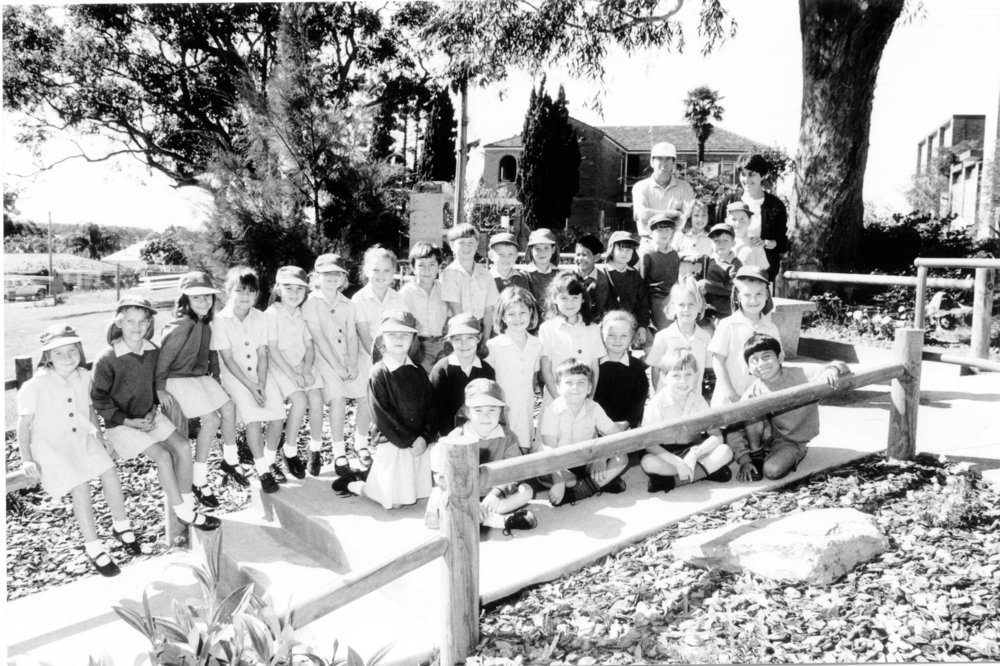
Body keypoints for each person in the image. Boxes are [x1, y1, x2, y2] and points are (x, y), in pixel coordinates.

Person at [18, 324, 142, 577]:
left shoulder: (84, 377)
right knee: (81, 485)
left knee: (109, 471)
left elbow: (90, 411)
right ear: (48, 358)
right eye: (58, 353)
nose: (67, 357)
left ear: (80, 351)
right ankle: (94, 547)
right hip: (53, 448)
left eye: (72, 350)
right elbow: (24, 425)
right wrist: (26, 459)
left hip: (82, 439)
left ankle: (121, 525)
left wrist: (99, 434)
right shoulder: (35, 386)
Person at [92, 299, 220, 537]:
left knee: (182, 447)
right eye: (130, 321)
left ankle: (187, 501)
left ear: (150, 323)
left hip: (149, 416)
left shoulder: (152, 350)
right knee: (162, 456)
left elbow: (154, 385)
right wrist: (127, 421)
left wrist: (152, 408)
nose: (136, 326)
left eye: (143, 321)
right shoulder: (107, 357)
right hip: (121, 425)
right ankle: (183, 512)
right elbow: (98, 398)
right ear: (119, 322)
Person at [332, 312, 434, 510]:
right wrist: (409, 440)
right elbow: (382, 415)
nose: (399, 339)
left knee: (415, 493)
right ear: (382, 341)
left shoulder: (418, 371)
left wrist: (425, 436)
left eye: (405, 335)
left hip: (417, 443)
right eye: (392, 335)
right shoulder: (380, 372)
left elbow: (430, 407)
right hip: (394, 441)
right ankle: (356, 484)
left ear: (413, 340)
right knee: (393, 502)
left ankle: (374, 476)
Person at [155, 271, 238, 508]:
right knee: (211, 420)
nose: (203, 302)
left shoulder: (206, 323)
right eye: (196, 298)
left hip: (200, 377)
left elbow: (211, 354)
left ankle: (227, 461)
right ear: (186, 301)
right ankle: (198, 481)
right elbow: (163, 360)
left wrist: (217, 380)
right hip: (177, 379)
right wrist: (160, 389)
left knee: (229, 407)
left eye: (207, 297)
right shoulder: (181, 325)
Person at [425, 379, 537, 534]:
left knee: (527, 490)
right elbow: (443, 475)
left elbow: (515, 470)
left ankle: (476, 517)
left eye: (492, 410)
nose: (486, 417)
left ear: (501, 411)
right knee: (439, 495)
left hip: (492, 497)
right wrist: (470, 500)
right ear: (467, 412)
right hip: (462, 494)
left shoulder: (508, 437)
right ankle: (498, 521)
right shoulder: (456, 436)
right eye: (478, 410)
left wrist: (497, 493)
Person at [734, 334, 850, 482]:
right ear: (749, 368)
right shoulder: (752, 392)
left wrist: (832, 369)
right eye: (754, 360)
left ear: (780, 357)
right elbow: (734, 428)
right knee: (750, 409)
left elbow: (841, 364)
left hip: (791, 441)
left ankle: (796, 452)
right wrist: (744, 459)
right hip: (766, 438)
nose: (761, 364)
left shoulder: (800, 375)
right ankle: (758, 454)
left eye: (766, 356)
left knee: (771, 471)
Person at [212, 268, 287, 492]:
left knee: (277, 418)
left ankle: (269, 461)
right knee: (253, 419)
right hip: (237, 378)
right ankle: (263, 471)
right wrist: (251, 387)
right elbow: (227, 359)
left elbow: (263, 353)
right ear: (228, 292)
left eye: (251, 292)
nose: (245, 296)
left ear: (257, 295)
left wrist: (262, 384)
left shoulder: (261, 317)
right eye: (240, 290)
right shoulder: (220, 320)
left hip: (260, 374)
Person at [303, 253, 365, 477]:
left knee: (363, 394)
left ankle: (362, 444)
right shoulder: (311, 303)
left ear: (343, 278)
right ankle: (339, 452)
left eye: (336, 274)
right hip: (322, 359)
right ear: (316, 277)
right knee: (337, 399)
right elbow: (318, 337)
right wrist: (338, 366)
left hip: (345, 358)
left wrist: (351, 362)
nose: (331, 278)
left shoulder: (347, 303)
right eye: (326, 274)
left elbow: (351, 334)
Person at [640, 349, 733, 493]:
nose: (683, 381)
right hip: (665, 453)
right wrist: (678, 462)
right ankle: (703, 473)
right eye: (676, 375)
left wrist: (695, 454)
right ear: (664, 377)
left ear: (696, 376)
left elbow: (717, 436)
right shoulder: (657, 403)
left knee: (726, 451)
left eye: (688, 374)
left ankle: (673, 481)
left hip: (692, 449)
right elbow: (650, 445)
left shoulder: (698, 400)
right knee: (648, 462)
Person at [539, 359, 627, 506]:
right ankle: (597, 483)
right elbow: (549, 451)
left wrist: (602, 457)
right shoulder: (553, 410)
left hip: (587, 460)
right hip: (560, 465)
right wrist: (559, 479)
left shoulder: (594, 407)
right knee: (569, 480)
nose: (575, 387)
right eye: (568, 383)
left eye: (581, 382)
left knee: (621, 459)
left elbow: (616, 435)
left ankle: (581, 491)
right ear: (558, 387)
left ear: (589, 388)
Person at [266, 266, 325, 483]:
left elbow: (309, 346)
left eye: (300, 289)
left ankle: (315, 449)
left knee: (317, 400)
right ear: (278, 289)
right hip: (281, 367)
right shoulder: (272, 313)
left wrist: (307, 368)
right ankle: (289, 451)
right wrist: (293, 375)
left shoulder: (302, 313)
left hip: (303, 364)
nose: (294, 293)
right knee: (299, 402)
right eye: (288, 288)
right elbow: (272, 350)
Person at [351, 246, 406, 468]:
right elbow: (364, 335)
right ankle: (360, 444)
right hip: (368, 357)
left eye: (386, 270)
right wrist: (380, 360)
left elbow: (402, 329)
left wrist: (395, 358)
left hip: (394, 355)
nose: (381, 275)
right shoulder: (359, 299)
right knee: (366, 401)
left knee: (392, 400)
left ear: (394, 272)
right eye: (376, 270)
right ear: (366, 270)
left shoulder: (398, 298)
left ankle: (385, 441)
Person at [708, 266, 781, 408]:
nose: (753, 300)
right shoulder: (727, 325)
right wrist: (733, 396)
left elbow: (778, 362)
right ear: (737, 296)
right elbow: (718, 363)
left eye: (759, 294)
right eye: (747, 295)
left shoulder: (771, 328)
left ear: (767, 295)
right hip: (729, 401)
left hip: (760, 401)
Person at [714, 153, 788, 283]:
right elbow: (717, 233)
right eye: (743, 174)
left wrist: (769, 243)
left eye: (752, 174)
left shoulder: (775, 205)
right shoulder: (728, 202)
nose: (746, 179)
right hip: (728, 272)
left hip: (761, 273)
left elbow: (783, 242)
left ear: (762, 175)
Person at [486, 286, 543, 453]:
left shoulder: (537, 345)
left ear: (531, 313)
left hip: (525, 410)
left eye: (523, 313)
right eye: (511, 314)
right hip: (501, 412)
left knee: (523, 451)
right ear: (502, 316)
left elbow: (533, 381)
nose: (518, 318)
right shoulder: (493, 346)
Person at [538, 272, 604, 412]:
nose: (570, 303)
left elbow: (594, 368)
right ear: (555, 299)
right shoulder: (547, 329)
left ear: (582, 299)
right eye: (564, 298)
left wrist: (590, 398)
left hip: (584, 401)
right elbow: (546, 370)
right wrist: (558, 400)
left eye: (575, 298)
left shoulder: (592, 329)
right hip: (555, 401)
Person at [429, 313, 496, 438]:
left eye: (470, 338)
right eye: (458, 339)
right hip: (449, 436)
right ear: (451, 341)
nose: (464, 344)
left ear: (479, 338)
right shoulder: (442, 369)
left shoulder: (487, 371)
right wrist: (452, 438)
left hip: (480, 436)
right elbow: (437, 411)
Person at [646, 277, 713, 395]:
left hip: (693, 402)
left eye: (691, 304)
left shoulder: (705, 337)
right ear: (673, 307)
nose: (686, 310)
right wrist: (656, 397)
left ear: (699, 307)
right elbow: (655, 370)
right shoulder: (663, 337)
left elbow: (707, 368)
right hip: (668, 403)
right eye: (681, 305)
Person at [441, 223, 500, 347]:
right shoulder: (449, 274)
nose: (466, 247)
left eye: (471, 243)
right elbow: (456, 310)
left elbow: (489, 310)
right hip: (458, 330)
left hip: (482, 329)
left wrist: (485, 339)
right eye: (461, 243)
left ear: (477, 245)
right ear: (452, 245)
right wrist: (468, 338)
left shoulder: (486, 274)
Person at [593, 311, 649, 430]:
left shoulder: (636, 366)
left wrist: (627, 422)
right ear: (603, 335)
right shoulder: (594, 365)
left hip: (625, 428)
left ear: (631, 337)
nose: (617, 340)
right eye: (611, 335)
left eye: (623, 336)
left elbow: (639, 399)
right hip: (595, 427)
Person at [631, 141, 696, 241]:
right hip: (648, 242)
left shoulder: (685, 187)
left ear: (673, 163)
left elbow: (687, 218)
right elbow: (643, 215)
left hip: (676, 243)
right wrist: (674, 214)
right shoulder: (640, 187)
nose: (663, 163)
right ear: (652, 162)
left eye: (668, 159)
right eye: (659, 158)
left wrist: (651, 213)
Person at [400, 242, 449, 375]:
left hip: (442, 343)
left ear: (439, 266)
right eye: (421, 265)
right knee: (424, 380)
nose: (427, 271)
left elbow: (450, 315)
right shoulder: (406, 293)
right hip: (420, 345)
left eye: (432, 265)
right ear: (412, 268)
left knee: (446, 377)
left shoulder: (444, 289)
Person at [602, 230, 650, 348]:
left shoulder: (634, 274)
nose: (624, 253)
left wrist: (642, 326)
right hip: (607, 326)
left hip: (631, 325)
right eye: (620, 249)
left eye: (628, 249)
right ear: (612, 250)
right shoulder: (603, 272)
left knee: (652, 349)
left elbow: (643, 303)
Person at [639, 211, 682, 331]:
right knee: (667, 328)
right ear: (651, 233)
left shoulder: (674, 254)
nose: (665, 233)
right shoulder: (647, 253)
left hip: (673, 297)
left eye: (668, 229)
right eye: (660, 230)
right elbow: (641, 284)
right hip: (655, 298)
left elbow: (676, 279)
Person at [698, 223, 743, 320]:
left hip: (725, 312)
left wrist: (708, 286)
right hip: (707, 309)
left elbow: (736, 290)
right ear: (710, 243)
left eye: (726, 241)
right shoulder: (709, 260)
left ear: (733, 243)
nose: (721, 244)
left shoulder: (734, 264)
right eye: (716, 241)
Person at [522, 228, 561, 325]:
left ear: (553, 249)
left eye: (546, 248)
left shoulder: (560, 275)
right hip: (531, 325)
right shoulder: (524, 275)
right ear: (531, 250)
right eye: (537, 249)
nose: (542, 252)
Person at [574, 234, 611, 321]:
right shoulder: (570, 276)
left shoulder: (601, 279)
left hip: (592, 321)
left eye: (585, 254)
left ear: (597, 257)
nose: (580, 258)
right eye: (578, 254)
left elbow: (599, 307)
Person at [673, 199, 714, 280]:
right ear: (689, 217)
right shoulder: (680, 235)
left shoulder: (711, 237)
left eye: (704, 215)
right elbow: (671, 256)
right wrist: (686, 254)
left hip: (703, 281)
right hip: (683, 281)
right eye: (696, 215)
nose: (700, 219)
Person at [727, 201, 770, 272]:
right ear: (727, 221)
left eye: (742, 219)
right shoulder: (719, 242)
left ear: (750, 221)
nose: (738, 223)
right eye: (734, 219)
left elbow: (762, 271)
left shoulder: (755, 244)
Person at [488, 232, 530, 300]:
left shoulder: (522, 279)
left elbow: (527, 302)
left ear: (516, 256)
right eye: (501, 254)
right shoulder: (485, 278)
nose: (506, 258)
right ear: (491, 256)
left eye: (510, 254)